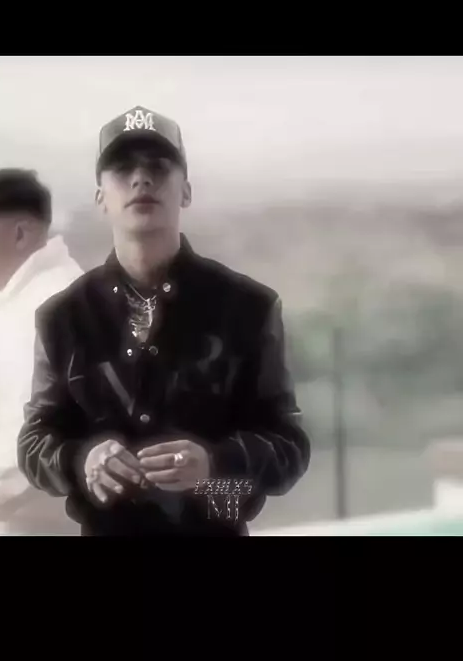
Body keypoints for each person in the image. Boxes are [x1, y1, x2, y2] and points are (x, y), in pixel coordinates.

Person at [17, 106, 310, 535]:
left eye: (158, 166)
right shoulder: (63, 318)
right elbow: (35, 440)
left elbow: (288, 445)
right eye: (123, 169)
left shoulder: (248, 307)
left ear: (185, 191)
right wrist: (84, 459)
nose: (141, 179)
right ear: (101, 198)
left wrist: (213, 463)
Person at [0, 169, 83, 533]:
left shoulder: (59, 306)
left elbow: (50, 436)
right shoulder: (0, 300)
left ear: (20, 234)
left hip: (31, 518)